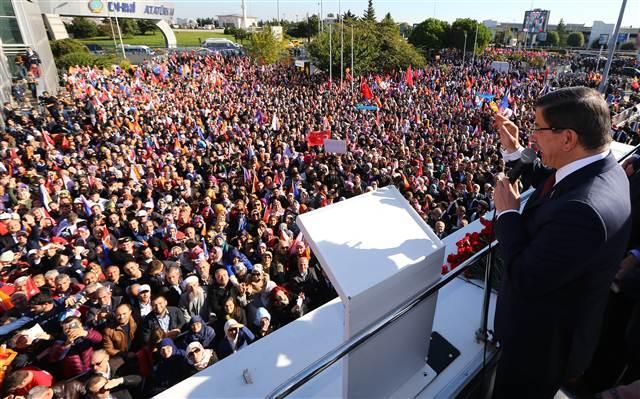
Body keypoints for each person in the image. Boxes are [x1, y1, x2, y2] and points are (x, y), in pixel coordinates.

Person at [492, 86, 632, 398]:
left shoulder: (583, 211)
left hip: (540, 348)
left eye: (538, 129)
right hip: (557, 331)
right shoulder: (601, 169)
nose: (534, 137)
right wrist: (515, 152)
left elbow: (526, 278)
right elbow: (555, 185)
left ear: (567, 138)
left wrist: (508, 215)